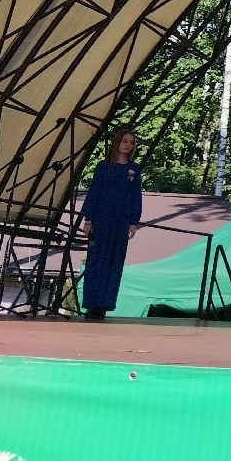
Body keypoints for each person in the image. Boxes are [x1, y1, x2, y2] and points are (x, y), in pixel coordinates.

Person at [79, 126, 143, 320]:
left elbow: (136, 196)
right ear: (117, 142)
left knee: (114, 263)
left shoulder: (134, 169)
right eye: (124, 141)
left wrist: (133, 221)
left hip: (120, 222)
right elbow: (94, 192)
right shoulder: (103, 166)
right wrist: (88, 219)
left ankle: (104, 305)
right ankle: (92, 304)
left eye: (131, 142)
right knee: (96, 261)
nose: (128, 145)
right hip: (101, 220)